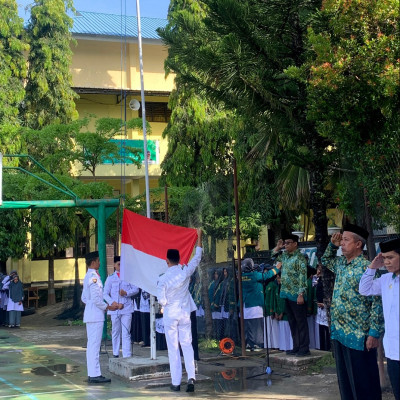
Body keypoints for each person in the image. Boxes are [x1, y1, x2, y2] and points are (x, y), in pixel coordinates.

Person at [322, 224, 384, 400]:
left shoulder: (367, 268)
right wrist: (332, 245)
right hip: (340, 333)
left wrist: (374, 333)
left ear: (358, 244)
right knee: (346, 383)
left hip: (359, 335)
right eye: (341, 240)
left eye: (346, 240)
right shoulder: (341, 263)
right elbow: (326, 260)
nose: (342, 243)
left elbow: (377, 303)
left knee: (363, 384)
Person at [157, 228, 203, 393]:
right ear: (179, 259)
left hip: (171, 313)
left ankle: (176, 382)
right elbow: (197, 258)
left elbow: (161, 299)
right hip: (184, 313)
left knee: (173, 348)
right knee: (187, 345)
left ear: (167, 261)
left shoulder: (162, 279)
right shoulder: (185, 272)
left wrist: (164, 304)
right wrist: (199, 238)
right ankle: (191, 377)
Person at [359, 237, 400, 400]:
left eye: (391, 257)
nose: (387, 262)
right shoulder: (385, 280)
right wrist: (372, 267)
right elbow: (364, 289)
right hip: (392, 351)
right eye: (384, 258)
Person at [81, 251, 117, 384]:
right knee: (94, 346)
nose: (100, 263)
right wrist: (107, 307)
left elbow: (84, 298)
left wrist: (92, 304)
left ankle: (93, 373)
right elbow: (96, 299)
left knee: (92, 345)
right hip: (95, 315)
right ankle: (95, 374)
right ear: (93, 262)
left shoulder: (88, 276)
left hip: (91, 314)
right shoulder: (93, 277)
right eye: (98, 260)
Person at [272, 234, 309, 356]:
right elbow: (273, 256)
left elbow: (302, 276)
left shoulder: (300, 258)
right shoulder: (285, 257)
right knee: (292, 322)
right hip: (286, 293)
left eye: (288, 243)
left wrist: (301, 293)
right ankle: (296, 346)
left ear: (295, 244)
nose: (286, 245)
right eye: (285, 243)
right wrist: (277, 247)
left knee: (301, 322)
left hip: (296, 294)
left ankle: (304, 347)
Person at [241, 258, 281, 351]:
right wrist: (277, 268)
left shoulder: (241, 276)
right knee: (257, 326)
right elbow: (266, 275)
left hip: (245, 305)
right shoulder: (254, 275)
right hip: (255, 305)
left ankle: (248, 344)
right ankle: (257, 344)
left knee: (248, 326)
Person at [103, 255, 139, 358]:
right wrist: (112, 302)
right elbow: (105, 293)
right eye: (118, 264)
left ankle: (126, 355)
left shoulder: (128, 276)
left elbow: (136, 289)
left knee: (126, 332)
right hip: (115, 309)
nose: (120, 266)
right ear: (114, 265)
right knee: (115, 331)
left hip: (126, 308)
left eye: (122, 265)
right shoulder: (110, 278)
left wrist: (126, 292)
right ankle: (115, 353)